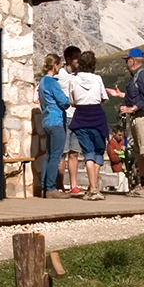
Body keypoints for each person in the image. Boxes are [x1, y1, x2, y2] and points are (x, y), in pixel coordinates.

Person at [109, 48, 144, 197]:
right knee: (139, 151)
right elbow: (138, 95)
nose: (126, 63)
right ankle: (143, 183)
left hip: (143, 115)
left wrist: (131, 109)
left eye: (127, 60)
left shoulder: (143, 74)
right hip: (137, 116)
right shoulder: (138, 75)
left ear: (133, 61)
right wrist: (121, 95)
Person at [66, 51, 109, 201]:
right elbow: (104, 97)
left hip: (81, 116)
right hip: (97, 115)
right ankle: (94, 187)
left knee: (88, 152)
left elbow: (72, 101)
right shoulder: (97, 79)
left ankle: (93, 188)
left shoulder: (73, 80)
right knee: (98, 151)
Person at [35, 55, 72, 198]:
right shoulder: (52, 82)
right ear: (55, 65)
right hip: (56, 120)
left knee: (49, 155)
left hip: (46, 120)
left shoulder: (42, 81)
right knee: (56, 156)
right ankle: (51, 188)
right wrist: (70, 101)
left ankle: (45, 187)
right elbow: (63, 100)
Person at [57, 45, 82, 196]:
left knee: (74, 153)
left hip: (77, 117)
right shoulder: (59, 74)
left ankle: (74, 185)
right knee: (62, 153)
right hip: (63, 116)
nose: (78, 62)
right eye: (75, 59)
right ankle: (60, 185)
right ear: (68, 60)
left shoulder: (80, 75)